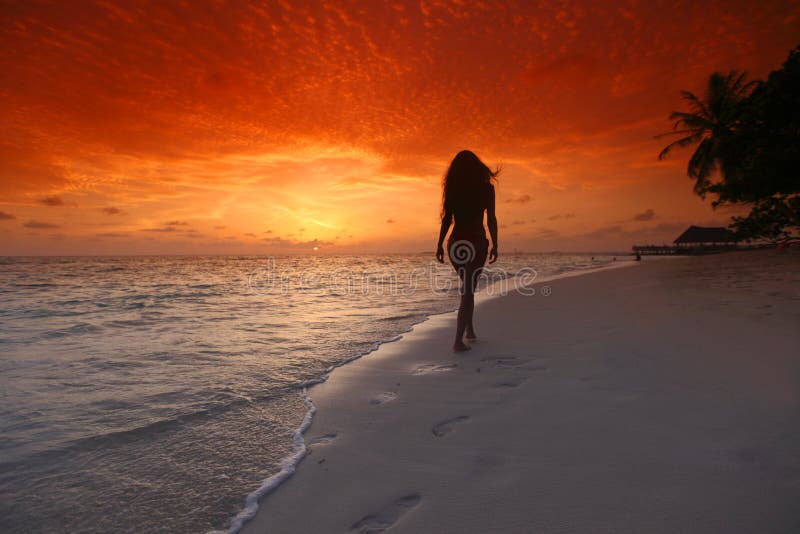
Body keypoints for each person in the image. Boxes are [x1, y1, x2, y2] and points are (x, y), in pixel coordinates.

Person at [435, 150, 499, 352]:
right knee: (468, 291)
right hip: (476, 242)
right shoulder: (486, 189)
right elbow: (491, 219)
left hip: (455, 244)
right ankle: (457, 342)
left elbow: (447, 219)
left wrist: (439, 244)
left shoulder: (454, 189)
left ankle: (469, 330)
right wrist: (495, 244)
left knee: (467, 288)